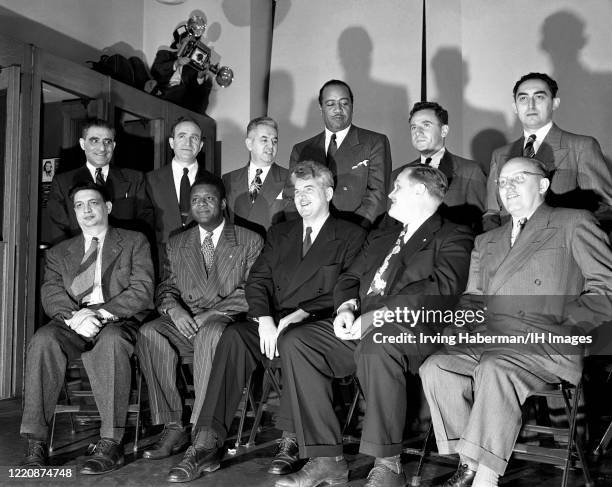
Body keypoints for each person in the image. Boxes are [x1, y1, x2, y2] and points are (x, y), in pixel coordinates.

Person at [164, 161, 366, 483]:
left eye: (309, 190)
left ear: (328, 193)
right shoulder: (281, 232)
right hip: (275, 323)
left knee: (292, 341)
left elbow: (349, 286)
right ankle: (207, 442)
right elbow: (257, 281)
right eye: (296, 191)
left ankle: (291, 438)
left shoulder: (352, 234)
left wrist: (298, 315)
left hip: (319, 325)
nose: (300, 198)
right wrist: (265, 320)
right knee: (233, 336)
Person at [275, 166, 473, 487]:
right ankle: (327, 459)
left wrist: (376, 317)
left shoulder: (453, 234)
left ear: (420, 191)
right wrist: (346, 307)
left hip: (411, 332)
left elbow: (439, 291)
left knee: (376, 344)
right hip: (363, 325)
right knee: (298, 341)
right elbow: (350, 277)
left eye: (397, 187)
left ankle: (389, 466)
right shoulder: (384, 234)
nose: (390, 195)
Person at [420, 157, 612, 487]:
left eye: (517, 180)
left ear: (542, 185)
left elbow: (605, 288)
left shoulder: (573, 222)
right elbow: (473, 298)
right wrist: (458, 326)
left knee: (494, 367)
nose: (507, 188)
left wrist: (571, 325)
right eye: (502, 182)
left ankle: (485, 478)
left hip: (550, 343)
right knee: (436, 367)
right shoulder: (486, 240)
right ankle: (468, 460)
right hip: (493, 339)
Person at [20, 182, 154, 474]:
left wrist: (103, 314)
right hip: (73, 321)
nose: (86, 211)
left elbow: (142, 290)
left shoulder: (134, 241)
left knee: (112, 343)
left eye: (92, 203)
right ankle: (37, 442)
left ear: (107, 207)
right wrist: (74, 318)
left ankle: (110, 442)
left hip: (118, 320)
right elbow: (51, 293)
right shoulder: (59, 252)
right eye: (79, 206)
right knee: (43, 340)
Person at [136, 176, 263, 461]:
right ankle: (174, 425)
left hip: (227, 320)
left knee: (210, 333)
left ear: (222, 203)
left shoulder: (249, 239)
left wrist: (209, 314)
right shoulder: (177, 241)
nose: (201, 204)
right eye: (195, 200)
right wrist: (174, 310)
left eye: (208, 199)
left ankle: (203, 431)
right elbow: (166, 287)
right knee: (149, 332)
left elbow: (253, 289)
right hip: (186, 320)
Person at [483, 72, 612, 232]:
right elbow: (492, 212)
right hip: (511, 251)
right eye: (523, 98)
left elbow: (605, 208)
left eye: (539, 97)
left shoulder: (581, 147)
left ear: (555, 103)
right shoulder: (500, 154)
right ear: (515, 107)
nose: (531, 105)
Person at [289, 79, 392, 229]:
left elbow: (377, 195)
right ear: (321, 108)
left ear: (352, 106)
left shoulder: (374, 142)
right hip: (311, 236)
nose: (338, 109)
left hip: (357, 233)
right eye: (330, 104)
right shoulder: (301, 149)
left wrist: (351, 232)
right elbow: (290, 196)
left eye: (344, 103)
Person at [47, 118, 153, 245]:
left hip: (124, 259)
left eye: (107, 142)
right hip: (81, 260)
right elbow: (59, 229)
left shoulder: (135, 179)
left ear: (113, 146)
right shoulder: (62, 182)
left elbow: (145, 224)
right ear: (82, 144)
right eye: (94, 141)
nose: (102, 148)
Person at [392, 101, 486, 231]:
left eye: (426, 125)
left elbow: (480, 225)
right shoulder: (398, 174)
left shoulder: (470, 171)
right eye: (413, 127)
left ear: (444, 130)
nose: (417, 132)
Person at [146, 117, 215, 262]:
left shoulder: (214, 182)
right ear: (172, 142)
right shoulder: (149, 180)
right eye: (182, 136)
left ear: (201, 145)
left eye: (194, 138)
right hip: (161, 261)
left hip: (202, 262)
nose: (188, 143)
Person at [223, 116, 292, 238]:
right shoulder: (228, 179)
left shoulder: (290, 178)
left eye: (274, 141)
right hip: (238, 252)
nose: (271, 146)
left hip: (274, 251)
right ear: (249, 144)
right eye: (264, 140)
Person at [150, 19, 212, 114]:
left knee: (205, 84)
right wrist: (176, 63)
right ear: (178, 43)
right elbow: (155, 71)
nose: (189, 46)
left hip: (182, 101)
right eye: (186, 42)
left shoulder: (194, 64)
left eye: (192, 43)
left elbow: (194, 92)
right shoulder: (165, 53)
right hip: (163, 93)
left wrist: (200, 77)